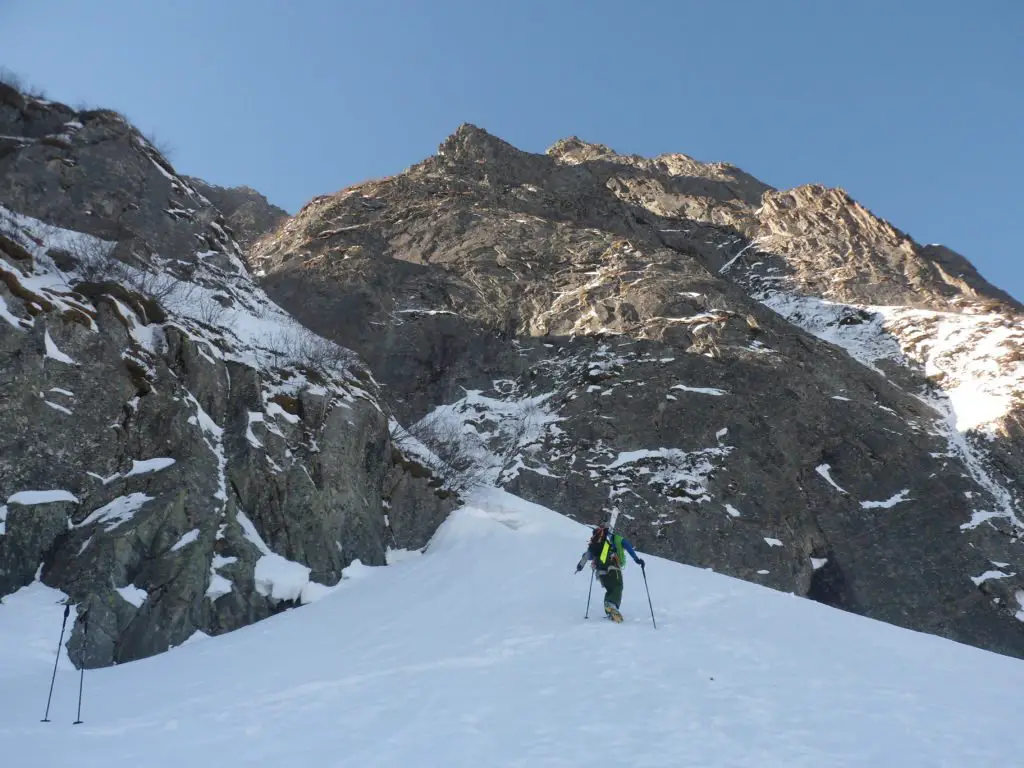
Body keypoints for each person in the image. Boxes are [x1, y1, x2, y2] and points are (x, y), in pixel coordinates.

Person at [575, 524, 644, 622]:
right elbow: (628, 547)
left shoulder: (596, 545)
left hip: (600, 572)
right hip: (612, 567)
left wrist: (580, 566)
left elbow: (587, 556)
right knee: (617, 586)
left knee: (610, 589)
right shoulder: (617, 540)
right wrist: (637, 560)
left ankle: (610, 609)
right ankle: (611, 605)